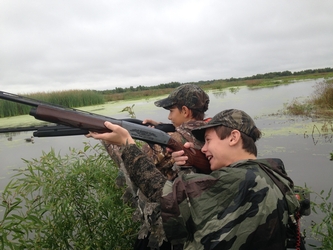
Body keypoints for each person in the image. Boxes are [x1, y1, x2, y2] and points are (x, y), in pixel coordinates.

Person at [89, 108, 301, 249]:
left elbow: (162, 192)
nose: (204, 148)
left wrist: (127, 143)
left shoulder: (237, 180)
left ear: (234, 137)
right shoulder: (270, 172)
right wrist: (192, 169)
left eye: (208, 140)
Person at [102, 84, 210, 249]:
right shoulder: (211, 134)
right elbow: (187, 131)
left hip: (165, 224)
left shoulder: (170, 141)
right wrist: (161, 128)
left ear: (185, 111)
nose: (168, 117)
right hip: (198, 217)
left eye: (171, 111)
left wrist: (112, 142)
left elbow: (134, 167)